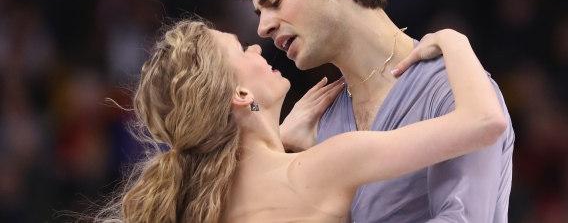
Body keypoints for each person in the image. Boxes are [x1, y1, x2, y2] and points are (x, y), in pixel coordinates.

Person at [211, 0, 515, 222]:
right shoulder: (321, 122)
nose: (263, 28)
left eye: (275, 2)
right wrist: (285, 153)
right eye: (258, 14)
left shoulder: (455, 87)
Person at [97, 19, 506, 223]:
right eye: (241, 51)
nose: (258, 48)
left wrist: (279, 138)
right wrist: (453, 40)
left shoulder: (198, 203)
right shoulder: (327, 164)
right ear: (241, 96)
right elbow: (485, 122)